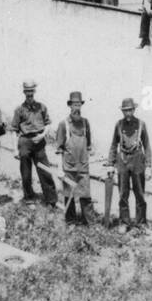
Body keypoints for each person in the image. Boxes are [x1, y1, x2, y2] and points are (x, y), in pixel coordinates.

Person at [109, 97, 152, 232]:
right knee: (123, 193)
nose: (128, 113)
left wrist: (149, 166)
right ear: (123, 111)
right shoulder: (118, 125)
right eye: (125, 111)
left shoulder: (141, 124)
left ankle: (141, 222)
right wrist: (110, 164)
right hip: (122, 160)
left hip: (138, 160)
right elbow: (113, 145)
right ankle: (124, 222)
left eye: (130, 110)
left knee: (139, 193)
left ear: (134, 110)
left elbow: (147, 146)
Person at [11, 81, 55, 206]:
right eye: (27, 91)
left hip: (39, 141)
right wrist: (15, 149)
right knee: (25, 172)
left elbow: (48, 124)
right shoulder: (19, 110)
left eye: (31, 91)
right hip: (25, 141)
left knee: (45, 170)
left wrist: (42, 135)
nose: (29, 94)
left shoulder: (42, 107)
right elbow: (14, 130)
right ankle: (29, 198)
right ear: (24, 92)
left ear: (34, 92)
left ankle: (51, 200)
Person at [55, 92, 94, 225]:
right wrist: (60, 169)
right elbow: (59, 149)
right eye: (74, 104)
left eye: (79, 104)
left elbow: (89, 145)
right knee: (68, 196)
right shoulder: (63, 124)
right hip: (68, 167)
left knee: (85, 195)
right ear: (70, 106)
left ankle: (89, 223)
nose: (77, 107)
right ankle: (70, 221)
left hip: (83, 167)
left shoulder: (85, 123)